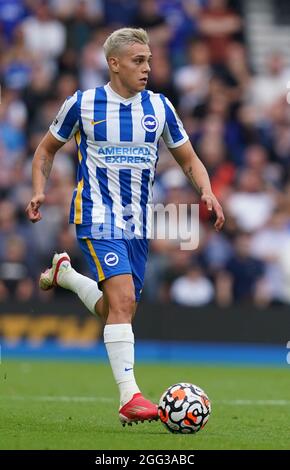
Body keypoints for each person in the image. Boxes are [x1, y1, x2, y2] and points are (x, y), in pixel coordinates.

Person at [26, 27, 225, 425]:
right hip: (97, 215)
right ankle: (129, 397)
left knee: (119, 307)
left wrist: (206, 190)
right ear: (113, 63)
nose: (147, 68)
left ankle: (66, 274)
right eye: (139, 60)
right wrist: (38, 190)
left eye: (149, 60)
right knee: (120, 303)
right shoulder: (82, 104)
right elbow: (45, 151)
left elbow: (188, 158)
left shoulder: (160, 108)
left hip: (138, 223)